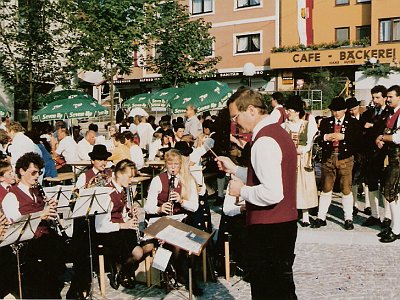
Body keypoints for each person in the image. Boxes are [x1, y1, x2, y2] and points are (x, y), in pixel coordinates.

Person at [216, 88, 298, 299]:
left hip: (268, 230)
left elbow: (272, 193)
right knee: (282, 290)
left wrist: (241, 190)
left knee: (268, 292)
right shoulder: (277, 132)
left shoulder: (263, 141)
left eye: (236, 116)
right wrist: (235, 169)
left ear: (251, 110)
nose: (235, 123)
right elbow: (262, 175)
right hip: (283, 225)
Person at [2, 152, 64, 298]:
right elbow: (16, 225)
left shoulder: (37, 192)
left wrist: (49, 213)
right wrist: (41, 214)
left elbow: (45, 220)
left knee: (69, 248)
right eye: (33, 172)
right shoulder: (11, 196)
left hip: (44, 239)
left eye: (39, 172)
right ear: (22, 171)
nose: (37, 176)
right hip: (26, 245)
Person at [144, 148, 201, 295]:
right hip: (163, 220)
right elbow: (148, 207)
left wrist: (181, 201)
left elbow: (194, 206)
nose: (174, 168)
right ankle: (180, 274)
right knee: (176, 244)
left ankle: (189, 277)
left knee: (191, 242)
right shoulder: (158, 180)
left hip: (183, 219)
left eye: (176, 164)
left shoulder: (188, 179)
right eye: (170, 164)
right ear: (166, 164)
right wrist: (159, 208)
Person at [67, 144, 113, 298]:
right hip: (85, 220)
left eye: (105, 160)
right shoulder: (84, 176)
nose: (103, 162)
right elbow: (76, 200)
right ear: (92, 160)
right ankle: (78, 287)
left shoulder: (108, 174)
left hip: (102, 217)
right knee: (83, 251)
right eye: (100, 159)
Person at [312, 96, 362, 230]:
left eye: (339, 110)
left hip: (345, 158)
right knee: (326, 188)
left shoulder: (353, 122)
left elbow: (359, 139)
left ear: (345, 109)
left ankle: (348, 218)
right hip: (329, 158)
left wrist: (344, 136)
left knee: (346, 188)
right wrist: (325, 137)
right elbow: (317, 137)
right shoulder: (325, 122)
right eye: (334, 110)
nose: (336, 113)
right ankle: (321, 217)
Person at [96, 159, 143, 289]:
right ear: (119, 174)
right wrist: (124, 225)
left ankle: (122, 269)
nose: (132, 180)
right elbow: (100, 226)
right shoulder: (106, 192)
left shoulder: (123, 189)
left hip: (122, 229)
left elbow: (122, 212)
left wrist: (130, 211)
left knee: (139, 252)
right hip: (109, 233)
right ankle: (118, 267)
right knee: (132, 250)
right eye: (130, 176)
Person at [283, 96, 318, 227]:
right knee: (289, 187)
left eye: (290, 110)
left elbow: (310, 141)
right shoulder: (283, 125)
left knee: (304, 187)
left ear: (297, 111)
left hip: (302, 160)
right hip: (288, 160)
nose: (287, 113)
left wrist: (302, 150)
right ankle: (290, 213)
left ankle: (305, 215)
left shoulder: (307, 124)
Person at [361, 85, 393, 228]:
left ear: (385, 97)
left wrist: (372, 127)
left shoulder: (390, 113)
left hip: (384, 153)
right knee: (372, 184)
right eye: (373, 97)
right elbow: (361, 125)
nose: (374, 100)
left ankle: (387, 216)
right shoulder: (369, 112)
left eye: (377, 97)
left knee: (386, 185)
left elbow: (384, 129)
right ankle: (374, 215)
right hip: (371, 154)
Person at [375, 85, 400, 242]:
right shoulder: (392, 113)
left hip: (397, 159)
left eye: (391, 96)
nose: (388, 99)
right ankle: (394, 225)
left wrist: (382, 137)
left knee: (390, 192)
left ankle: (396, 229)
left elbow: (398, 138)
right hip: (392, 158)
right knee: (394, 193)